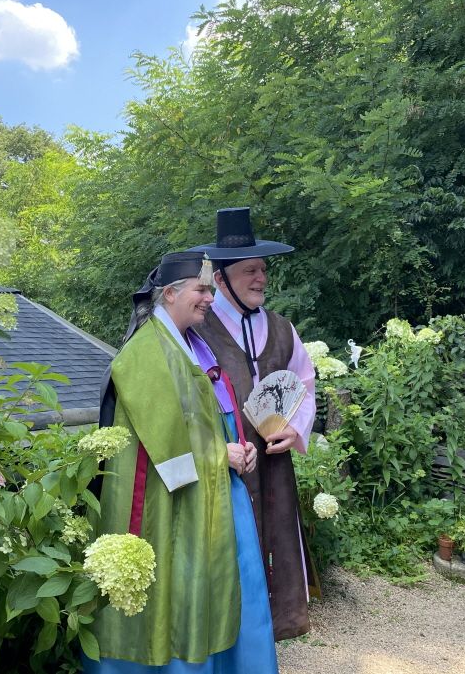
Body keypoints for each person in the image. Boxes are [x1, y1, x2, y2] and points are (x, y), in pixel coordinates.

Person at [85, 251, 278, 673]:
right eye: (201, 289)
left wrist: (237, 446)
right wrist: (216, 456)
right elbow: (161, 436)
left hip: (208, 493)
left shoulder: (190, 344)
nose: (210, 298)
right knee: (179, 594)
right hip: (171, 502)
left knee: (224, 590)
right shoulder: (145, 352)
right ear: (170, 294)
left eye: (211, 288)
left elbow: (205, 417)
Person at [189, 207, 317, 641]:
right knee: (231, 540)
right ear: (221, 278)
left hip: (275, 459)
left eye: (262, 269)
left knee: (279, 532)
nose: (261, 278)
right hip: (225, 461)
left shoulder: (282, 329)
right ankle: (233, 628)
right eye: (250, 271)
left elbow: (305, 383)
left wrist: (295, 428)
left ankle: (283, 619)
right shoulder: (197, 330)